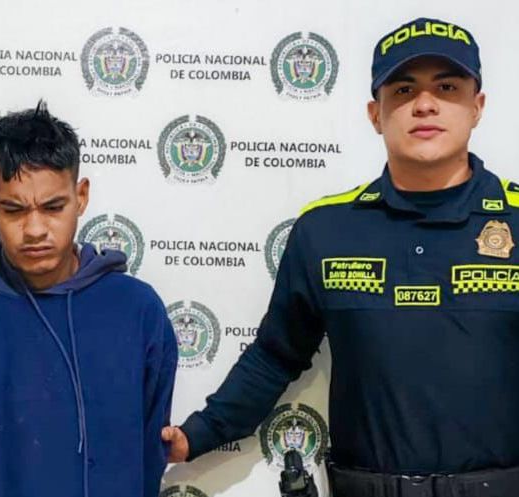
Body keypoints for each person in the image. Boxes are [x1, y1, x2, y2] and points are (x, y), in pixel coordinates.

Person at [162, 17, 519, 496]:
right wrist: (199, 434)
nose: (425, 104)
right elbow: (274, 356)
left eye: (447, 87)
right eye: (403, 90)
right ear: (375, 114)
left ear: (477, 107)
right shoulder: (327, 230)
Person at [0, 101, 178, 497]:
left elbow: (148, 457)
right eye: (13, 210)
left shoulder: (138, 311)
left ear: (81, 196)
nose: (34, 229)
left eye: (53, 208)